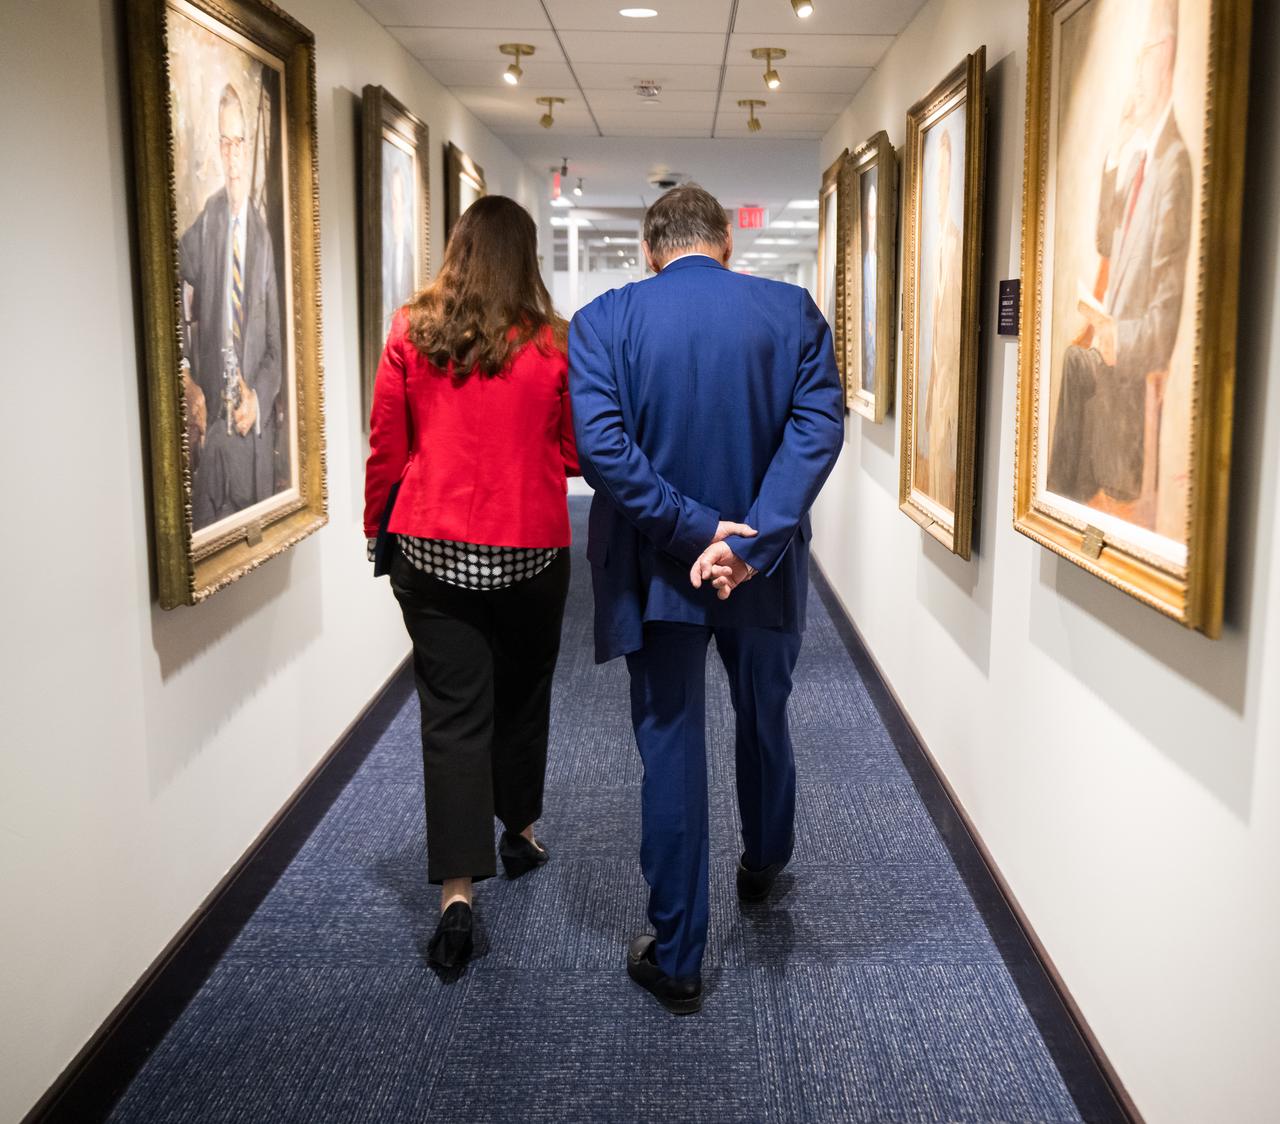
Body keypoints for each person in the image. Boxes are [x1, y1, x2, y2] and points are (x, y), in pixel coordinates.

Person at [569, 184, 844, 1014]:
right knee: (764, 714)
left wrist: (693, 532)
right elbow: (816, 429)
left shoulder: (603, 323)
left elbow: (602, 451)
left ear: (651, 249)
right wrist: (749, 541)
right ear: (727, 239)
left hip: (658, 569)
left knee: (672, 745)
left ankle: (679, 952)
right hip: (761, 569)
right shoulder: (792, 313)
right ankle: (763, 866)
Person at [363, 196, 578, 971]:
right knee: (522, 694)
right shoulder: (552, 346)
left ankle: (458, 894)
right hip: (528, 552)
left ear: (455, 250)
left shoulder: (409, 331)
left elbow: (388, 446)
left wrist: (373, 532)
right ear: (526, 258)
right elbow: (577, 452)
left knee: (451, 719)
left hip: (432, 549)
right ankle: (517, 831)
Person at [1047, 0, 1191, 513]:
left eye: (1145, 54)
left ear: (1167, 55)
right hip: (1111, 359)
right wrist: (1114, 150)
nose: (1136, 75)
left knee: (1076, 362)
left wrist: (1114, 337)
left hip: (1130, 374)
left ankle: (1061, 502)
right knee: (1072, 359)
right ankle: (1058, 505)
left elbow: (1164, 323)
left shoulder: (1173, 166)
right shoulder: (1143, 159)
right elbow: (1107, 241)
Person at [180, 81, 282, 530]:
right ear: (218, 149)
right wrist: (183, 370)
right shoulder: (210, 218)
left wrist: (257, 400)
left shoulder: (262, 237)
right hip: (212, 422)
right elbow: (167, 271)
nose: (234, 154)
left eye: (240, 141)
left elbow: (277, 349)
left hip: (247, 431)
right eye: (225, 141)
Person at [915, 126, 962, 509]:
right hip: (935, 386)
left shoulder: (954, 243)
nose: (941, 185)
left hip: (949, 386)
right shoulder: (931, 249)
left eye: (946, 174)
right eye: (937, 176)